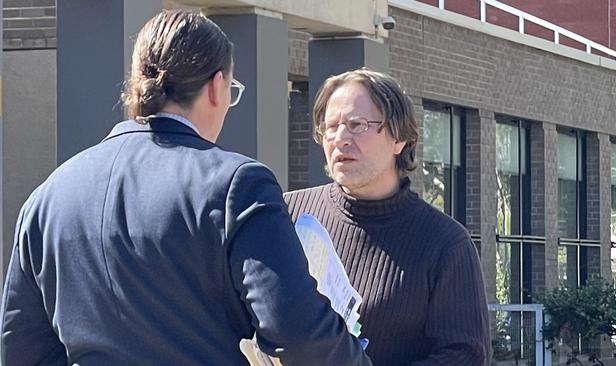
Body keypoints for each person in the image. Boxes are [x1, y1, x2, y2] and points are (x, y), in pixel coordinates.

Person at [0, 10, 371, 366]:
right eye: (232, 90)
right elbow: (298, 333)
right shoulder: (237, 184)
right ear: (215, 87)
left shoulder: (47, 198)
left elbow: (21, 348)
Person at [284, 68, 491, 366]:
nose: (340, 139)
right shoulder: (286, 214)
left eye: (357, 125)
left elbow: (465, 356)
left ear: (399, 139)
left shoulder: (445, 243)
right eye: (331, 127)